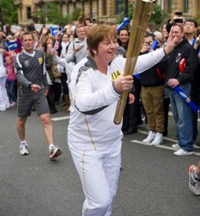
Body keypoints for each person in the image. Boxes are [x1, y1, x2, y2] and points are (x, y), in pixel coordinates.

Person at [68, 24, 176, 215]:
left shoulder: (116, 63)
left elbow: (139, 62)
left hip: (112, 142)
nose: (113, 46)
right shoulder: (83, 71)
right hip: (87, 146)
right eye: (107, 43)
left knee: (108, 198)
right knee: (99, 202)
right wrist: (114, 89)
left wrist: (165, 50)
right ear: (94, 48)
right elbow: (82, 104)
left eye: (114, 41)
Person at [14, 31, 62, 160]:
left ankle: (52, 147)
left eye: (30, 40)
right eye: (25, 40)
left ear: (34, 41)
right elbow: (19, 76)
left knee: (46, 118)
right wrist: (30, 85)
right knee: (21, 120)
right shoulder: (18, 57)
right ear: (22, 42)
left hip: (39, 91)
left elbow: (43, 72)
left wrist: (46, 86)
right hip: (25, 93)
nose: (28, 42)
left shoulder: (40, 54)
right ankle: (23, 142)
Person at [165, 24, 198, 156]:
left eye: (177, 32)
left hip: (182, 87)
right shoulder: (172, 48)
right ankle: (181, 141)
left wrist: (179, 80)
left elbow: (191, 69)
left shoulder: (188, 49)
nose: (174, 34)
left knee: (184, 117)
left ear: (182, 34)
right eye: (172, 32)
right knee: (178, 117)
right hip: (172, 88)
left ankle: (187, 146)